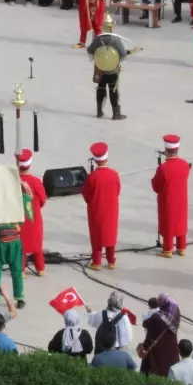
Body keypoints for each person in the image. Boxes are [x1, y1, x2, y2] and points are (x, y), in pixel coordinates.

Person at [0, 163, 33, 310]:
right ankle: (19, 299)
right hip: (14, 241)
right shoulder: (21, 200)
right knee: (17, 270)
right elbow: (30, 201)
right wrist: (24, 185)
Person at [86, 16, 134, 120]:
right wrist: (130, 52)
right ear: (111, 27)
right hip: (113, 71)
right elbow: (122, 54)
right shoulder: (115, 40)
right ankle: (115, 114)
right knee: (113, 92)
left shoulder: (98, 39)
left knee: (101, 89)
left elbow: (90, 51)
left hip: (101, 70)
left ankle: (99, 111)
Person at [82, 142, 120, 270]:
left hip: (96, 209)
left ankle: (97, 261)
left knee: (97, 235)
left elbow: (86, 195)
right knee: (110, 234)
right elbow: (118, 190)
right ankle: (111, 260)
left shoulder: (92, 177)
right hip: (111, 210)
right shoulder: (114, 174)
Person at [151, 134, 190, 257]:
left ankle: (167, 248)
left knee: (168, 222)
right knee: (180, 220)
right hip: (181, 198)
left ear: (166, 151)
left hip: (168, 200)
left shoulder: (163, 168)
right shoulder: (184, 164)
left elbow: (156, 186)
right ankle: (181, 247)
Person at [16, 149, 48, 274]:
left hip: (19, 218)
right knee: (37, 246)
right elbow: (42, 200)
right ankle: (40, 269)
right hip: (34, 218)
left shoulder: (14, 182)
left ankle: (21, 269)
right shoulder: (36, 182)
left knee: (20, 246)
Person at [140, 294, 181, 377]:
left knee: (151, 376)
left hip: (156, 354)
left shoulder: (157, 317)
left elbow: (145, 324)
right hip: (171, 354)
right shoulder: (175, 318)